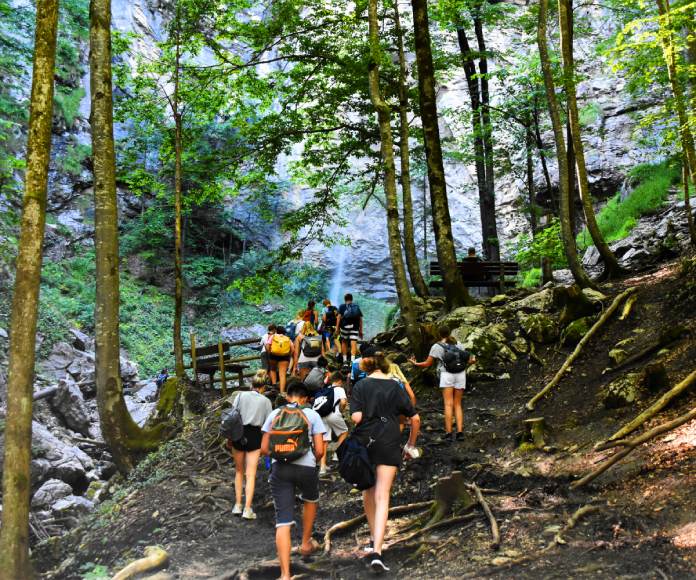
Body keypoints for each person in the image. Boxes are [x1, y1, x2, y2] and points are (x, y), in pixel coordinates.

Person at [350, 350, 421, 572]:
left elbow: (356, 418)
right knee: (383, 495)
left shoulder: (360, 386)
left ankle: (373, 537)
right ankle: (378, 551)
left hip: (366, 442)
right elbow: (415, 418)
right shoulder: (395, 386)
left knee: (367, 491)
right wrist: (410, 445)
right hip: (389, 441)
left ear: (366, 365)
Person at [261, 382, 326, 580]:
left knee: (283, 521)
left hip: (280, 468)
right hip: (306, 467)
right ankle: (306, 543)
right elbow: (321, 450)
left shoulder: (274, 415)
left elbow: (264, 449)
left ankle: (285, 574)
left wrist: (279, 455)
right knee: (310, 500)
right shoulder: (312, 415)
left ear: (288, 396)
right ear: (306, 399)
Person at [410, 325, 475, 442]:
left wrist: (415, 363)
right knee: (458, 404)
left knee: (448, 404)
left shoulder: (436, 346)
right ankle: (460, 433)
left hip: (446, 375)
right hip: (460, 374)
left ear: (439, 334)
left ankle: (449, 433)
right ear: (450, 333)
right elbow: (468, 359)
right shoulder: (458, 344)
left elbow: (427, 363)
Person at [228, 370, 273, 520]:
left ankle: (237, 505)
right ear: (264, 387)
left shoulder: (240, 395)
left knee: (239, 472)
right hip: (255, 436)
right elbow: (268, 425)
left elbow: (232, 416)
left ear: (251, 384)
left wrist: (230, 437)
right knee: (251, 474)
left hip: (238, 434)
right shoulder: (266, 401)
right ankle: (247, 509)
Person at [314, 370, 349, 476]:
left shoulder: (326, 389)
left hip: (321, 416)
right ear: (339, 381)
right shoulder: (339, 389)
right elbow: (343, 402)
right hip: (333, 414)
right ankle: (336, 454)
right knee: (344, 432)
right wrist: (342, 410)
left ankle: (322, 468)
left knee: (324, 441)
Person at [336, 293, 363, 364]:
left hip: (344, 328)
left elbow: (338, 318)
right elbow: (360, 319)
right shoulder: (356, 306)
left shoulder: (342, 306)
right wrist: (360, 330)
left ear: (345, 299)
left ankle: (344, 361)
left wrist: (337, 329)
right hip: (355, 327)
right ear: (352, 299)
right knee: (353, 343)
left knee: (344, 342)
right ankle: (352, 361)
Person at [267, 327, 295, 394]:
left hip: (273, 355)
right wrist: (288, 355)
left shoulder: (273, 336)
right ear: (284, 332)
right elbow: (293, 349)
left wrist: (270, 353)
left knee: (273, 370)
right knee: (282, 374)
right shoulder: (287, 338)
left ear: (276, 331)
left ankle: (274, 386)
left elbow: (268, 346)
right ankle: (282, 392)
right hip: (284, 357)